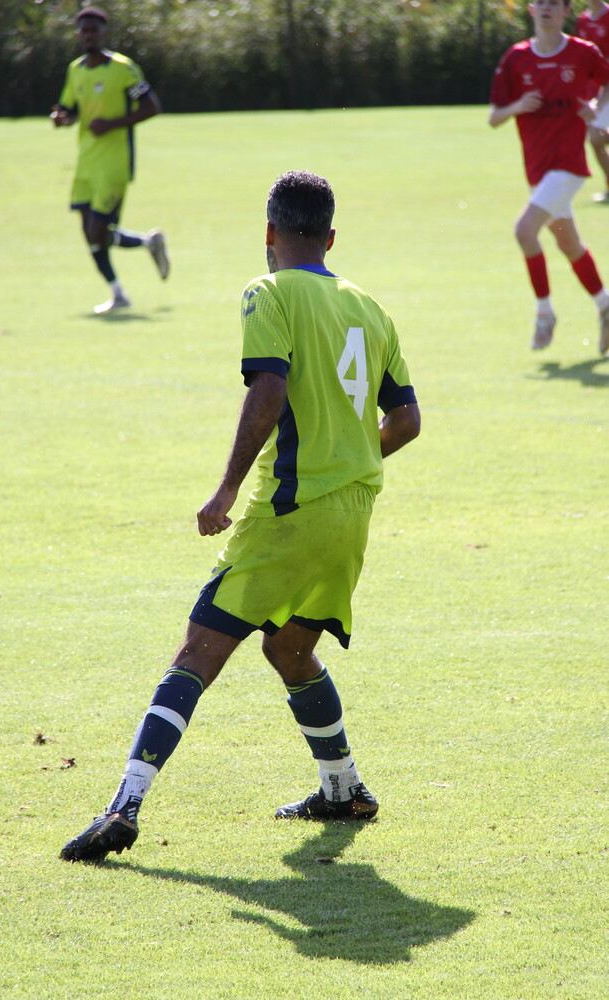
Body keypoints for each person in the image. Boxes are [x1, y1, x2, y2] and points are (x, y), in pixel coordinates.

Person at [60, 169, 421, 862]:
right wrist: (349, 456)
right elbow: (405, 421)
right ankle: (343, 788)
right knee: (290, 650)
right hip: (351, 515)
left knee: (196, 654)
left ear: (269, 234)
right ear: (331, 237)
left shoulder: (268, 291)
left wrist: (226, 488)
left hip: (289, 511)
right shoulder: (370, 308)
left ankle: (124, 806)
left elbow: (268, 391)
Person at [488, 0, 609, 355]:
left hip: (568, 168)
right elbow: (494, 117)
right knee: (568, 243)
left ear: (566, 11)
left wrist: (598, 115)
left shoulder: (583, 53)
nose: (546, 8)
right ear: (530, 8)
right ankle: (605, 306)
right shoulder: (516, 58)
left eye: (554, 3)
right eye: (540, 1)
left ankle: (544, 313)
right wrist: (517, 106)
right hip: (537, 172)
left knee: (524, 231)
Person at [51, 6, 170, 315]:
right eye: (84, 30)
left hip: (114, 163)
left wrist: (112, 124)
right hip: (85, 163)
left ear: (105, 33)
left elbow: (151, 106)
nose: (88, 35)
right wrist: (61, 118)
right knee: (91, 235)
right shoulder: (75, 70)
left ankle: (139, 259)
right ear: (78, 35)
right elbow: (69, 109)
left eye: (94, 30)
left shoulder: (123, 69)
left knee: (97, 233)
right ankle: (122, 287)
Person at [575, 0, 609, 201]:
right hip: (595, 88)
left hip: (607, 86)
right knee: (595, 140)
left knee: (595, 138)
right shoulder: (583, 20)